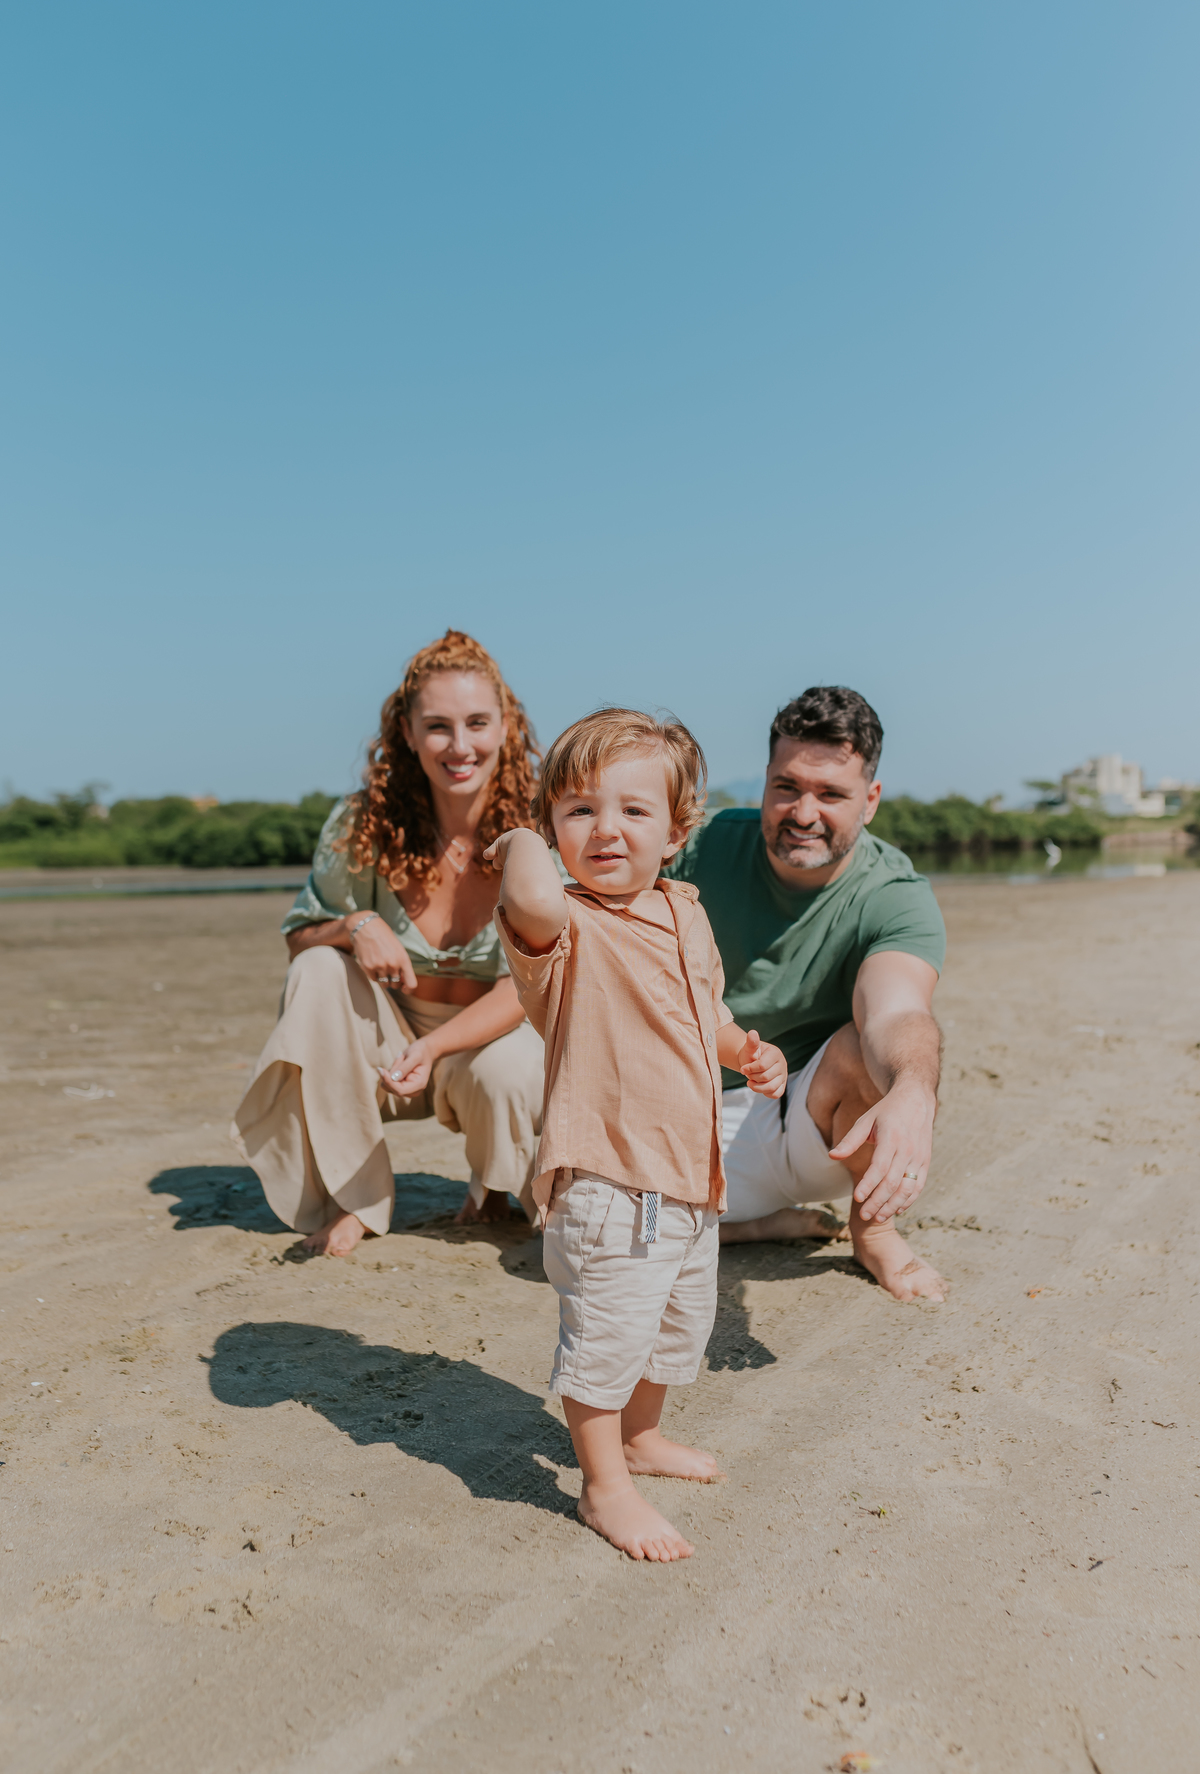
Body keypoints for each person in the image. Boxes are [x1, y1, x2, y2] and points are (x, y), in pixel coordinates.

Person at [487, 708, 788, 1561]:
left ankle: (639, 1438)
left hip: (690, 1174)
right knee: (610, 1331)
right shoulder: (564, 929)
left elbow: (705, 1012)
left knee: (676, 1322)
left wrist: (744, 1052)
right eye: (579, 810)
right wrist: (513, 837)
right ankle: (602, 1487)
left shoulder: (682, 908)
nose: (605, 830)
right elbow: (535, 891)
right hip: (611, 1180)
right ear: (553, 827)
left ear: (677, 831)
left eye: (633, 810)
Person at [231, 629, 546, 1257]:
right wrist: (356, 925)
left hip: (495, 1039)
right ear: (406, 732)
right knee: (320, 968)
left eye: (478, 723)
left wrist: (434, 1048)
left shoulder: (543, 822)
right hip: (388, 1042)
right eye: (438, 727)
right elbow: (299, 935)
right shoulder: (364, 823)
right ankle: (358, 1199)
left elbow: (530, 980)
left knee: (511, 1066)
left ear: (506, 724)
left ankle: (494, 1185)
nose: (461, 747)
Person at [672, 686, 949, 1303]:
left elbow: (896, 1011)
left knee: (863, 1050)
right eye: (786, 787)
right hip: (669, 1113)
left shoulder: (894, 894)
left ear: (870, 801)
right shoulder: (698, 845)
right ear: (763, 785)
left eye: (831, 795)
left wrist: (912, 1089)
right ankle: (747, 1225)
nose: (803, 812)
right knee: (555, 1211)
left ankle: (874, 1231)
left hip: (797, 1129)